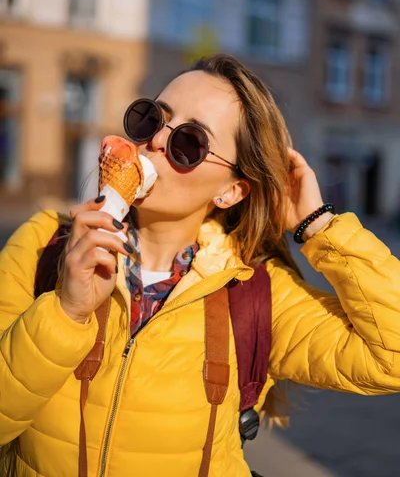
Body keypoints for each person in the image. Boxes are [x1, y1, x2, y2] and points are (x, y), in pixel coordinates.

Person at [1, 53, 400, 477]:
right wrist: (65, 312)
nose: (154, 142)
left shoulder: (255, 293)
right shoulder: (45, 243)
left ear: (230, 191)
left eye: (189, 141)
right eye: (152, 119)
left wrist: (318, 225)